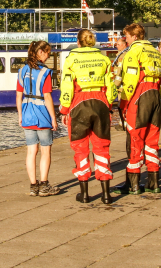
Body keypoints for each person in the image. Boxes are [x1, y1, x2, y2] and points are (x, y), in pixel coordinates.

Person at [59, 29, 116, 204]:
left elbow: (67, 86)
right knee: (102, 148)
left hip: (79, 102)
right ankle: (106, 194)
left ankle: (84, 194)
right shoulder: (104, 59)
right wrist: (109, 106)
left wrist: (64, 109)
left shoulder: (71, 60)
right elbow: (111, 85)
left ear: (78, 42)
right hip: (100, 102)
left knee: (80, 148)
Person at [115, 23, 161, 195]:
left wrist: (123, 104)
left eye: (126, 36)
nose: (124, 39)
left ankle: (133, 184)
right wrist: (158, 98)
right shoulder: (155, 52)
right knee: (152, 140)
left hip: (138, 97)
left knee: (135, 139)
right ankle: (153, 182)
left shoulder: (133, 52)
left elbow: (130, 81)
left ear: (134, 37)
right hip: (155, 97)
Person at [17, 41, 60, 197]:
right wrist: (54, 119)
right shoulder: (45, 72)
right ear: (40, 52)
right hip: (42, 115)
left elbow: (18, 95)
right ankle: (44, 185)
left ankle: (33, 186)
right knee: (45, 150)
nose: (48, 55)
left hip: (27, 114)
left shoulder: (22, 71)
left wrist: (20, 115)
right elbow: (47, 96)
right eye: (47, 52)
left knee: (31, 151)